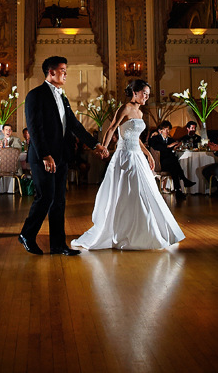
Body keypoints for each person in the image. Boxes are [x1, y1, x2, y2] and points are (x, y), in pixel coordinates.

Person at [72, 79, 185, 250]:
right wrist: (103, 147)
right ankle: (122, 230)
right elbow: (111, 128)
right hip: (124, 156)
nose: (146, 97)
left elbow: (136, 138)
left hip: (138, 156)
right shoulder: (124, 108)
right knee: (127, 192)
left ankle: (145, 230)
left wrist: (148, 155)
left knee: (144, 192)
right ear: (135, 92)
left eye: (148, 94)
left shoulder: (140, 113)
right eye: (144, 94)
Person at [18, 56, 108, 256]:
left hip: (61, 157)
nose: (66, 74)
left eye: (66, 70)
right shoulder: (35, 95)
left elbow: (74, 126)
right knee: (45, 197)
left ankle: (58, 245)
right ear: (51, 72)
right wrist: (45, 155)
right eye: (63, 70)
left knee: (59, 201)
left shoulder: (63, 97)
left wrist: (96, 144)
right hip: (43, 157)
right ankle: (27, 234)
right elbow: (35, 128)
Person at [148, 120, 195, 200]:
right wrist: (168, 146)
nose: (167, 131)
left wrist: (175, 148)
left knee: (174, 167)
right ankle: (184, 180)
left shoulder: (171, 140)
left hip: (170, 163)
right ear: (161, 130)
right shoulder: (155, 138)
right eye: (165, 129)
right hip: (160, 163)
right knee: (174, 163)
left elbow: (172, 152)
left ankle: (178, 191)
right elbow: (156, 147)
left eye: (168, 129)